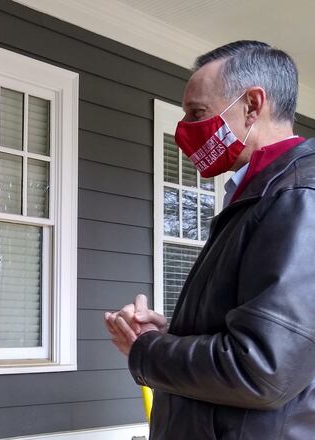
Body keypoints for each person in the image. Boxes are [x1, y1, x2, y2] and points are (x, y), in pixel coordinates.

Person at [105, 40, 315, 439]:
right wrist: (172, 334)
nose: (184, 130)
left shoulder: (298, 197)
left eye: (197, 113)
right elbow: (256, 337)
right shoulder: (259, 194)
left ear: (253, 105)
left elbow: (261, 370)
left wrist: (148, 349)